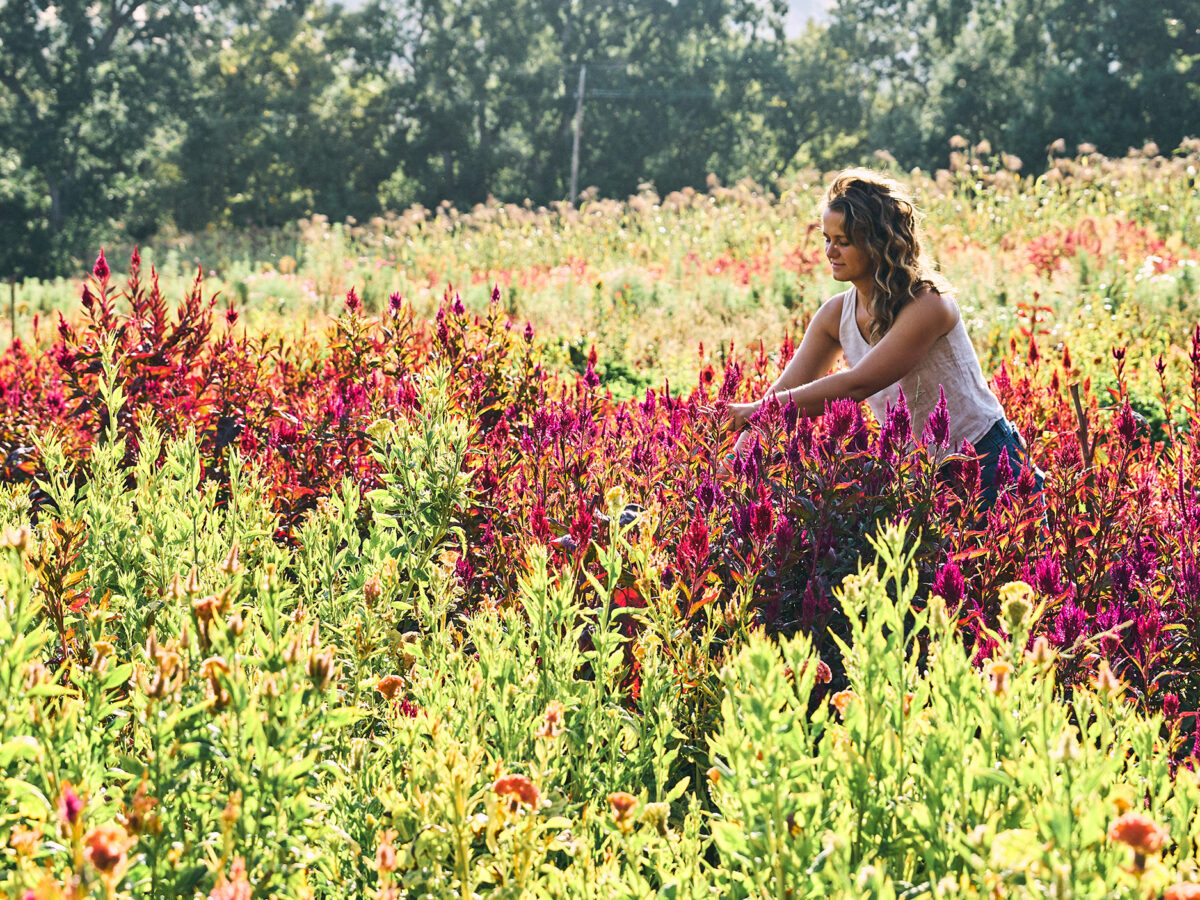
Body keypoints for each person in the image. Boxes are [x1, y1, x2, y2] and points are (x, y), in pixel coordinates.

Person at [726, 167, 1042, 510]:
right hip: (922, 474)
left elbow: (858, 385)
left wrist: (758, 411)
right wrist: (735, 456)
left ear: (877, 242)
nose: (830, 251)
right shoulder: (835, 315)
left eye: (843, 241)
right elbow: (784, 395)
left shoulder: (928, 304)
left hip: (987, 459)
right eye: (826, 239)